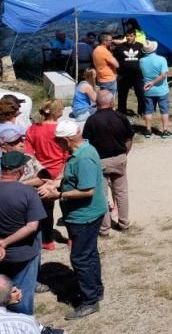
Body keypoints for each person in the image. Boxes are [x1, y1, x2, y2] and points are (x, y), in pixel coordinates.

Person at [38, 119, 106, 319]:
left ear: (67, 140)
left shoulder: (83, 158)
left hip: (84, 216)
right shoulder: (83, 150)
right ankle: (95, 290)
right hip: (88, 214)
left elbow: (87, 191)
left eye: (58, 141)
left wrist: (58, 195)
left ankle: (89, 301)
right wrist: (57, 182)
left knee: (80, 258)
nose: (56, 144)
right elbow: (73, 179)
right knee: (89, 254)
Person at [80, 90, 133, 237]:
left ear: (97, 103)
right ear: (111, 102)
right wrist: (124, 153)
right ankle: (124, 223)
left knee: (101, 195)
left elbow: (86, 142)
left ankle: (104, 228)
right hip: (119, 158)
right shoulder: (121, 117)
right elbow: (129, 138)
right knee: (121, 192)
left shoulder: (92, 120)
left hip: (99, 161)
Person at [0, 151, 45, 316]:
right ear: (20, 171)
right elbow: (32, 226)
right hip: (23, 253)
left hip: (2, 256)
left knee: (3, 293)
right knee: (22, 295)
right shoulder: (27, 192)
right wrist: (5, 242)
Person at [24, 101, 68, 250]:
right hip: (60, 171)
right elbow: (66, 153)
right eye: (61, 108)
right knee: (67, 204)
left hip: (41, 173)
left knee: (46, 209)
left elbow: (29, 154)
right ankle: (72, 238)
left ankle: (47, 240)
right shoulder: (61, 130)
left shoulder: (33, 129)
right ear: (56, 112)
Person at [136, 40, 170, 139]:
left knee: (148, 111)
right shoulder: (162, 59)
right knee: (164, 111)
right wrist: (153, 83)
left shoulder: (141, 61)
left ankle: (148, 130)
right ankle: (165, 130)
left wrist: (150, 83)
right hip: (162, 89)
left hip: (148, 90)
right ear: (154, 48)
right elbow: (163, 75)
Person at [112, 29, 144, 116]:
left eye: (131, 36)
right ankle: (122, 111)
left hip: (137, 75)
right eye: (127, 36)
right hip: (123, 75)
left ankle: (142, 111)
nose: (129, 38)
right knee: (122, 94)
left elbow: (144, 59)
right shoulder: (119, 47)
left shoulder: (140, 46)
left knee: (141, 93)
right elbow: (113, 58)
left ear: (135, 36)